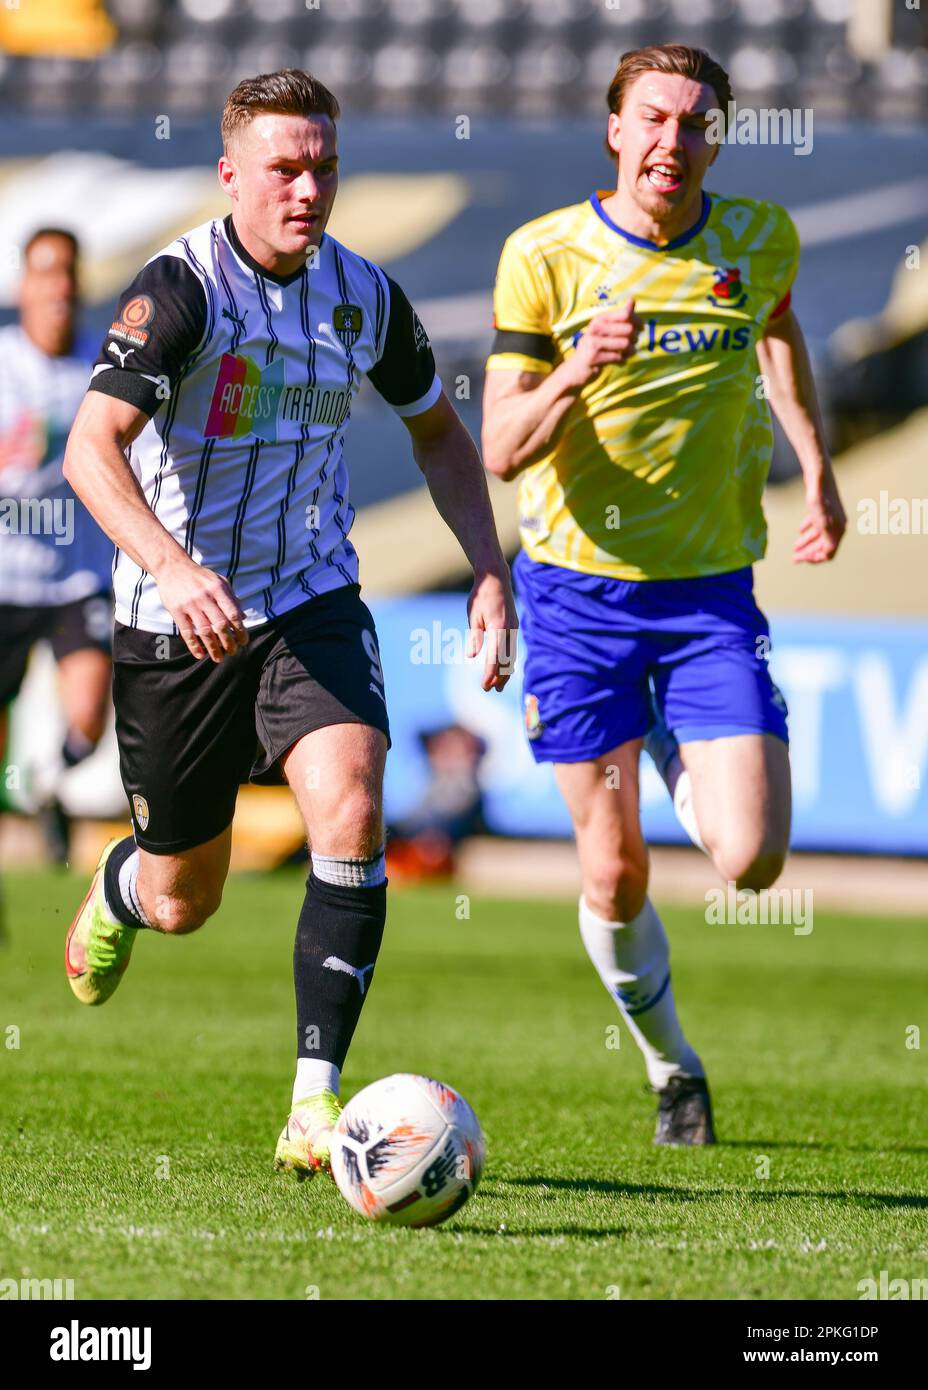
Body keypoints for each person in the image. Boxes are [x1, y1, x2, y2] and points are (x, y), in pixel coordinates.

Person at [62, 69, 516, 1179]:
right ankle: (123, 884)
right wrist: (170, 568)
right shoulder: (179, 293)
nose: (306, 187)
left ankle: (315, 1103)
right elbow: (89, 450)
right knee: (186, 898)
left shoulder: (363, 296)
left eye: (323, 166)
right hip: (179, 623)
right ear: (232, 176)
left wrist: (492, 572)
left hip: (310, 600)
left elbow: (443, 441)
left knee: (353, 801)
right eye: (283, 167)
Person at [482, 44, 845, 1144]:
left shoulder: (755, 239)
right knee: (615, 867)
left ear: (715, 138)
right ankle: (669, 1067)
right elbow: (499, 447)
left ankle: (673, 726)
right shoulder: (543, 256)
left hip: (706, 599)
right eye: (652, 119)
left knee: (751, 858)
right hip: (575, 600)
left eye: (694, 123)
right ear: (613, 129)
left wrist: (815, 466)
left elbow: (775, 332)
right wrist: (574, 370)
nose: (671, 142)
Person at [0, 228, 113, 863]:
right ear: (24, 287)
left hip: (76, 575)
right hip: (6, 575)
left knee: (91, 715)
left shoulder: (104, 363)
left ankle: (46, 783)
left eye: (68, 271)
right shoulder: (3, 362)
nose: (59, 287)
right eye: (45, 272)